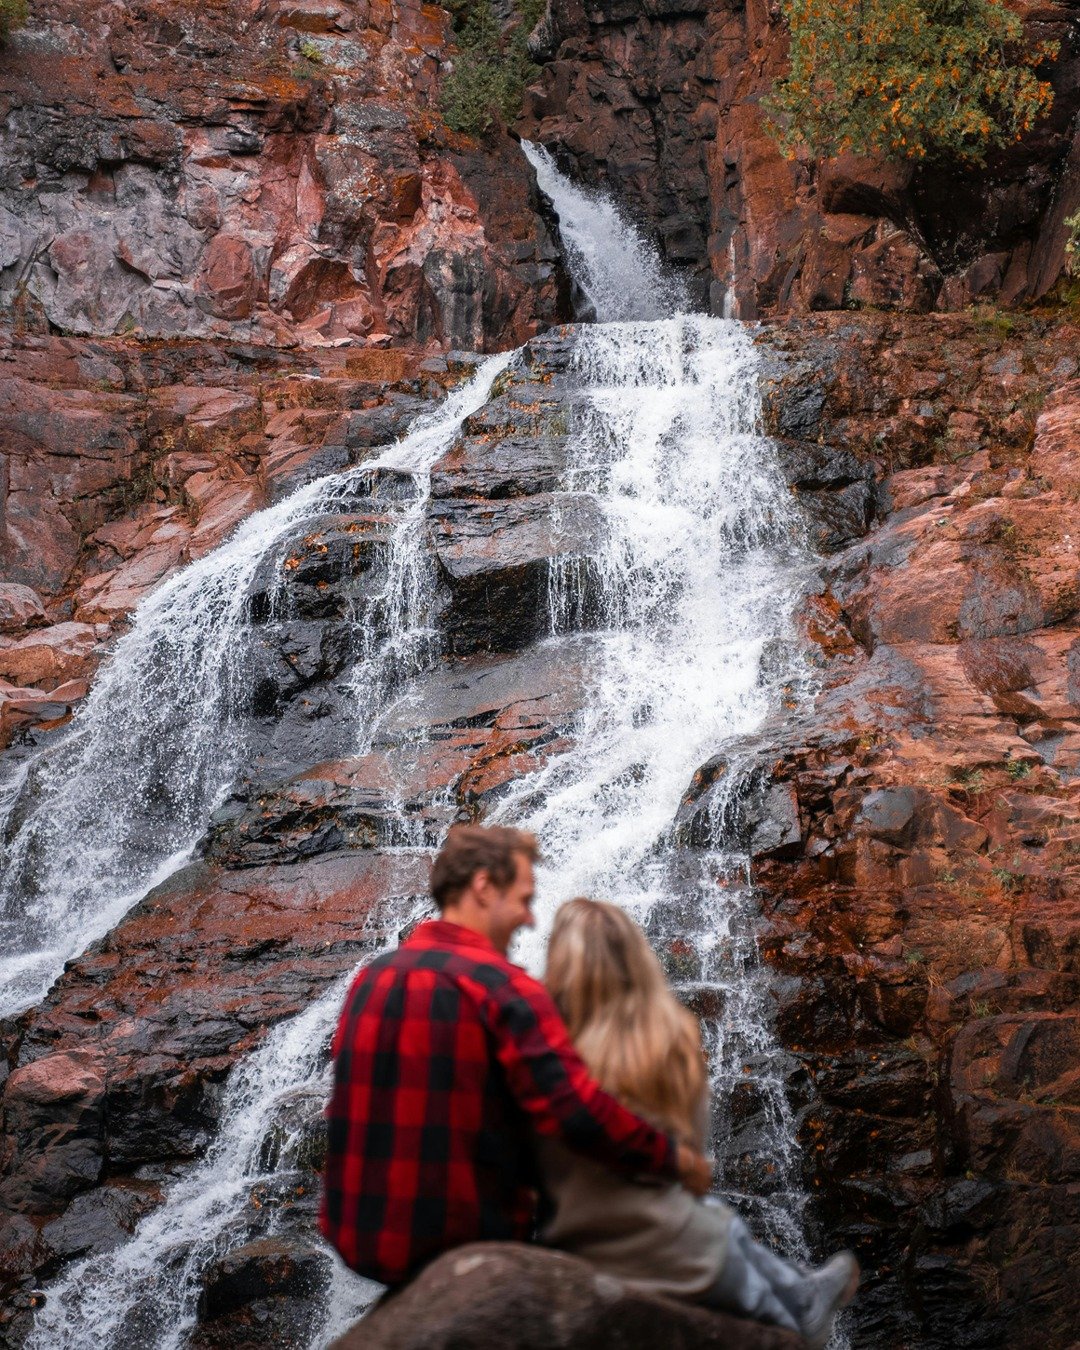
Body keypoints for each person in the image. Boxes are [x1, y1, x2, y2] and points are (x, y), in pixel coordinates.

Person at [319, 825, 713, 1289]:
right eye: (524, 900)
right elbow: (576, 1114)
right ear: (483, 887)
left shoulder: (373, 978)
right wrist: (675, 1160)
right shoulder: (502, 989)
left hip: (360, 1238)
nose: (529, 920)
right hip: (464, 1246)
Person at [540, 897, 859, 1350]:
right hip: (673, 1244)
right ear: (637, 957)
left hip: (567, 1236)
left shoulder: (537, 1050)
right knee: (716, 1227)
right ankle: (800, 1307)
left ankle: (802, 1297)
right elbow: (692, 1151)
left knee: (716, 1225)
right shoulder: (669, 1038)